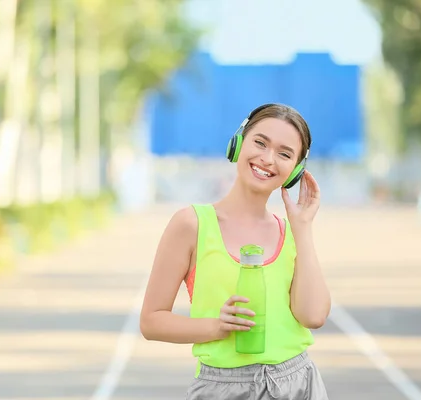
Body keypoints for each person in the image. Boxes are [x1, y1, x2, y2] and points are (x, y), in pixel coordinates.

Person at [140, 103, 331, 399]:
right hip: (223, 388)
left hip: (298, 385)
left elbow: (313, 316)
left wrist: (303, 228)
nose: (268, 159)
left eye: (284, 153)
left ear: (296, 170)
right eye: (260, 142)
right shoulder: (191, 224)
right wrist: (217, 326)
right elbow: (151, 320)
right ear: (238, 143)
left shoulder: (293, 232)